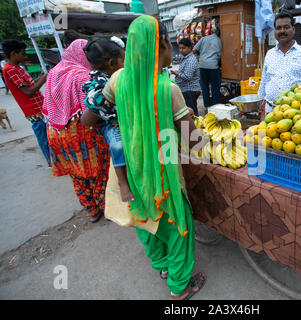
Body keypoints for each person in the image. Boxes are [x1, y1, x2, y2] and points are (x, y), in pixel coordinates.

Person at [102, 15, 206, 300]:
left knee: (146, 217)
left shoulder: (116, 79)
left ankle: (161, 267)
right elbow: (194, 142)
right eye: (169, 43)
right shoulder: (167, 89)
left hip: (133, 169)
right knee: (177, 222)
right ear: (162, 45)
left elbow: (91, 115)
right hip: (163, 170)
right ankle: (180, 287)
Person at [42, 39, 110, 223]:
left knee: (77, 174)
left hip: (56, 131)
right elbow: (90, 112)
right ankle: (106, 207)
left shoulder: (54, 72)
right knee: (98, 171)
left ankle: (91, 211)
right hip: (80, 132)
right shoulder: (81, 75)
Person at [79, 38, 134, 202]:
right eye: (124, 60)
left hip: (120, 118)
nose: (127, 63)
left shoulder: (120, 76)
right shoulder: (100, 81)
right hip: (109, 122)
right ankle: (123, 184)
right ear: (111, 63)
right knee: (118, 145)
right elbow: (95, 106)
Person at [1, 39, 50, 166]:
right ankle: (52, 163)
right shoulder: (10, 69)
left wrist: (41, 78)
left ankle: (54, 162)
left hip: (40, 108)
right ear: (13, 54)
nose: (25, 56)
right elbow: (29, 91)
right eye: (23, 54)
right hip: (34, 111)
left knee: (48, 137)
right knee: (44, 138)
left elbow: (30, 83)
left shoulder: (17, 68)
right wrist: (44, 78)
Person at [258, 12, 301, 114]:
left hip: (295, 113)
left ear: (293, 29)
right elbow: (264, 82)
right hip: (270, 110)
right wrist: (258, 106)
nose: (282, 31)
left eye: (286, 27)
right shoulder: (270, 54)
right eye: (278, 28)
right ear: (274, 31)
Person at [171, 38, 201, 116]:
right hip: (186, 90)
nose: (181, 50)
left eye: (183, 48)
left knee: (190, 113)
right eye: (180, 48)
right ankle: (187, 128)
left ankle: (190, 128)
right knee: (186, 112)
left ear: (190, 48)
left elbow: (187, 76)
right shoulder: (185, 58)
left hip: (190, 91)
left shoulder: (191, 60)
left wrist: (177, 73)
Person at [193, 27, 222, 108]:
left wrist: (201, 55)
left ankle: (207, 106)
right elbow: (220, 55)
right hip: (213, 66)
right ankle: (214, 106)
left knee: (204, 87)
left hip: (202, 65)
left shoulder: (203, 39)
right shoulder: (219, 41)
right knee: (215, 87)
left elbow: (194, 50)